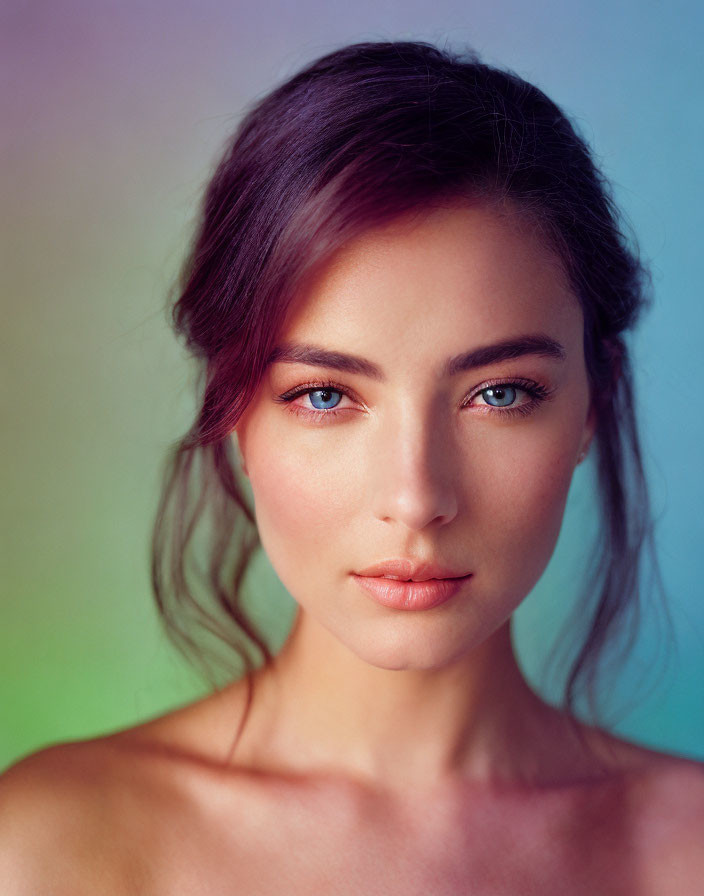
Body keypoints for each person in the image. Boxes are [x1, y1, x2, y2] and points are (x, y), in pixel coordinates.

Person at [1, 38, 703, 894]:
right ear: (233, 416)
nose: (416, 498)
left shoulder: (685, 851)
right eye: (326, 395)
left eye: (501, 393)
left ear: (592, 404)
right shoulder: (48, 850)